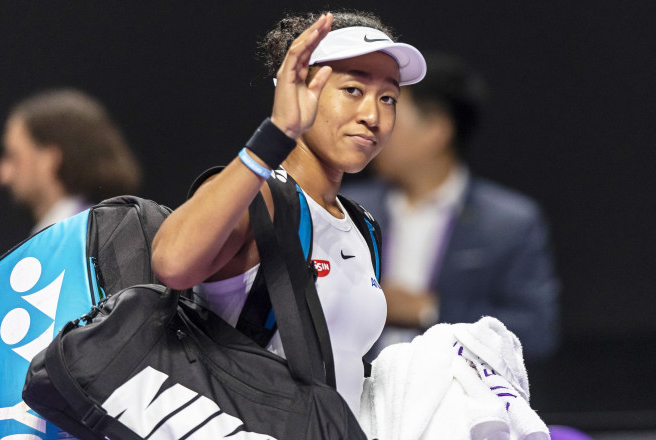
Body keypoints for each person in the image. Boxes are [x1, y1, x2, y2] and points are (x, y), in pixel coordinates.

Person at [151, 11, 425, 416]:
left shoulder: (364, 226)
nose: (373, 115)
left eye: (388, 98)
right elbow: (171, 264)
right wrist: (276, 134)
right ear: (299, 87)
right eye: (352, 89)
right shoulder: (258, 195)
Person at [342, 53, 560, 361]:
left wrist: (427, 310)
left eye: (390, 107)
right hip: (354, 397)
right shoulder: (347, 209)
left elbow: (536, 331)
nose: (372, 124)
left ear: (436, 131)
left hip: (460, 400)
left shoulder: (509, 223)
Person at [0, 88, 141, 234]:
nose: (2, 175)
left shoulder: (82, 238)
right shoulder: (98, 232)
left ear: (49, 159)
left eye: (12, 156)